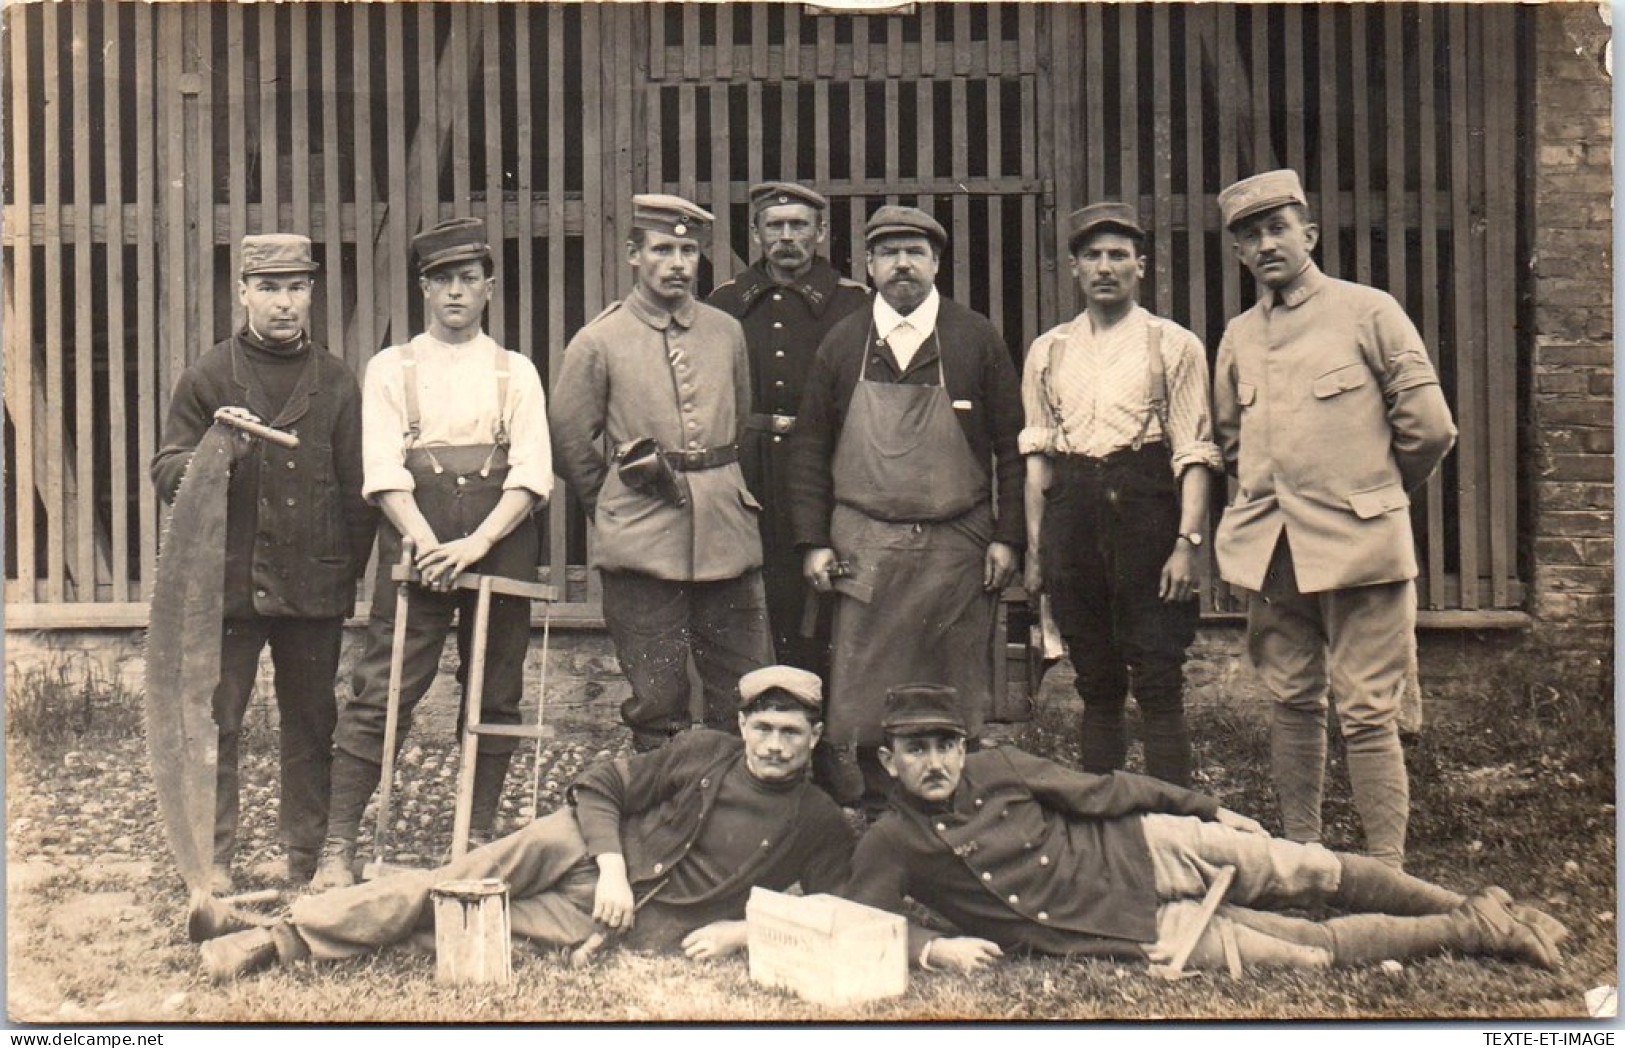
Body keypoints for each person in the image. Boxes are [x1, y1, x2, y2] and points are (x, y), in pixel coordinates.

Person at [844, 684, 1567, 974]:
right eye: (916, 749)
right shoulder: (889, 840)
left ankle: (1469, 908)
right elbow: (868, 926)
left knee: (1306, 867)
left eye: (945, 745)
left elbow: (1105, 791)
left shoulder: (998, 763)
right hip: (1109, 930)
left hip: (1142, 848)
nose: (935, 762)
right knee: (1304, 952)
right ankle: (1473, 929)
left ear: (962, 746)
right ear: (890, 760)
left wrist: (1199, 808)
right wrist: (935, 949)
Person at [192, 666, 854, 981]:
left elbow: (837, 912)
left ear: (813, 736)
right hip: (579, 846)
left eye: (789, 732)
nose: (772, 743)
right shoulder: (705, 750)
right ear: (741, 724)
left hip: (617, 918)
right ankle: (267, 945)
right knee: (444, 888)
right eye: (761, 727)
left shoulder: (818, 820)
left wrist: (741, 932)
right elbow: (601, 787)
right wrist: (614, 870)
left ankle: (265, 928)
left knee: (450, 929)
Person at [1212, 170, 1458, 869]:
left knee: (1366, 710)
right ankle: (1303, 855)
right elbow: (1233, 442)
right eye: (1249, 236)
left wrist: (1373, 495)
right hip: (1275, 551)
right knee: (1291, 699)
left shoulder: (1367, 311)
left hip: (1361, 549)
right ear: (1238, 253)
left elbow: (1429, 429)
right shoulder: (1236, 337)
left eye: (1276, 228)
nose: (1264, 245)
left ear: (1308, 234)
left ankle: (1386, 869)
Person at [313, 217, 553, 890]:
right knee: (383, 690)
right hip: (414, 537)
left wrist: (475, 544)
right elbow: (382, 469)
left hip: (499, 539)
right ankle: (338, 846)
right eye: (442, 279)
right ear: (424, 288)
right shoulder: (393, 367)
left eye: (468, 279)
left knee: (496, 689)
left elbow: (533, 473)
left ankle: (475, 835)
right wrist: (425, 543)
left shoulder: (516, 371)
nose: (455, 291)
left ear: (488, 288)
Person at [151, 233, 375, 890]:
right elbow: (167, 470)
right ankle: (213, 860)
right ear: (243, 293)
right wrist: (218, 450)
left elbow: (359, 488)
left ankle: (304, 854)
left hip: (314, 588)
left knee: (311, 724)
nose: (284, 303)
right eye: (270, 288)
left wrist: (340, 571)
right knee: (218, 721)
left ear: (311, 294)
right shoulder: (208, 377)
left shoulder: (336, 382)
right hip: (229, 589)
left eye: (297, 287)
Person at [789, 205, 1025, 806]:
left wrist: (1009, 537)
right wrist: (814, 541)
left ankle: (950, 805)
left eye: (914, 252)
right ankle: (878, 807)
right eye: (888, 253)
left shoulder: (976, 338)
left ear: (936, 263)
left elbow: (1012, 448)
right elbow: (811, 448)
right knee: (869, 682)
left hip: (956, 542)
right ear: (868, 266)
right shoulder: (841, 344)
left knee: (951, 677)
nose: (902, 265)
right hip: (864, 541)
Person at [551, 194, 773, 752]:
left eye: (688, 250)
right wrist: (611, 504)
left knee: (744, 684)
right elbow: (571, 439)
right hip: (641, 540)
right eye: (663, 249)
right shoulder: (599, 340)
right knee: (656, 696)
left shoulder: (725, 332)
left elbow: (739, 419)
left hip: (725, 531)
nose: (677, 262)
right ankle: (662, 813)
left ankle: (732, 814)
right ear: (634, 254)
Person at [1019, 202, 1222, 787]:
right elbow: (1039, 461)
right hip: (1074, 516)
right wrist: (1039, 551)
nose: (1105, 267)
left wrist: (1187, 543)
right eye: (1092, 256)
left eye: (1118, 255)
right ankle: (1101, 824)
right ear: (1074, 268)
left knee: (1158, 675)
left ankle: (1177, 822)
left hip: (1148, 511)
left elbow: (1195, 451)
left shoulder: (1173, 344)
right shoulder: (1048, 349)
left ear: (1142, 265)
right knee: (1096, 679)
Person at [707, 181, 868, 679]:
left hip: (824, 467)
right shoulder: (725, 301)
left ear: (819, 232)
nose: (787, 236)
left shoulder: (854, 302)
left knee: (819, 590)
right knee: (750, 584)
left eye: (799, 225)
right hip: (748, 466)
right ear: (756, 234)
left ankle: (822, 717)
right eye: (774, 226)